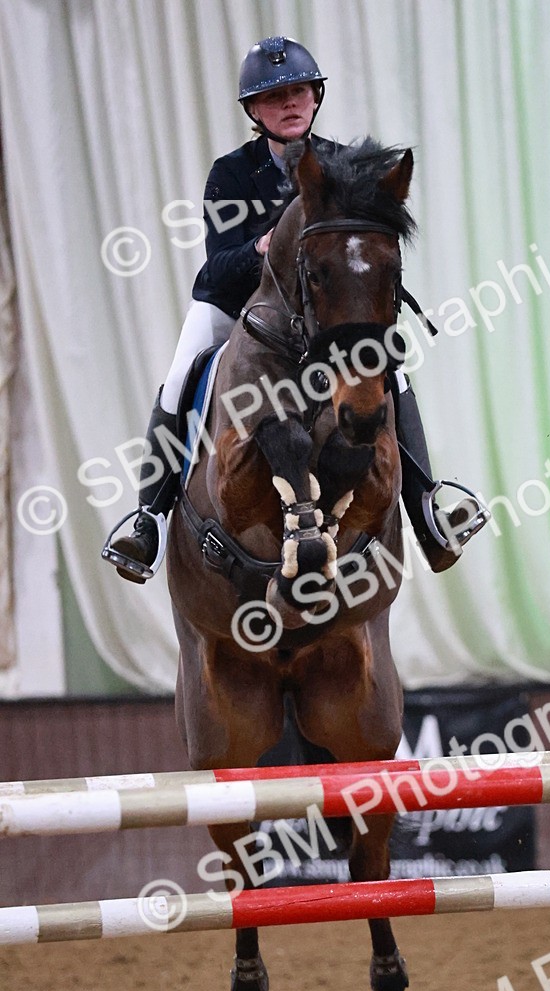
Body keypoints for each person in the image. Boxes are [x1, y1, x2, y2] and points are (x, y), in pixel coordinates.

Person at [104, 36, 484, 584]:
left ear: (315, 97)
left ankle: (428, 507)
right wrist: (260, 248)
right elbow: (219, 260)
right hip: (239, 306)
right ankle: (148, 518)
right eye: (275, 96)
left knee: (389, 378)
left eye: (300, 91)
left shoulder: (341, 167)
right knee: (179, 377)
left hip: (318, 314)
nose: (290, 103)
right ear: (253, 111)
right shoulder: (231, 173)